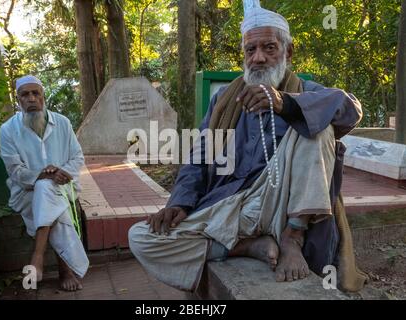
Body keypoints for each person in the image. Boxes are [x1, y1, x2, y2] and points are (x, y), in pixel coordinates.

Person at [129, 0, 367, 292]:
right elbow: (199, 158)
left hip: (284, 204)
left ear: (287, 52)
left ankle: (292, 238)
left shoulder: (306, 91)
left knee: (318, 128)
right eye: (250, 50)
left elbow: (351, 109)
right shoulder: (224, 100)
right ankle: (246, 246)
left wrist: (287, 105)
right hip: (231, 205)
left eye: (269, 48)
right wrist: (179, 201)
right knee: (141, 236)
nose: (258, 58)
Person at [0, 75, 89, 291]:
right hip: (25, 192)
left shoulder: (63, 123)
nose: (31, 98)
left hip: (63, 187)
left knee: (48, 190)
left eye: (35, 93)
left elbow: (77, 158)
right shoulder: (8, 129)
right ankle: (65, 269)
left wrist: (62, 172)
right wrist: (42, 175)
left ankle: (37, 257)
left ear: (43, 96)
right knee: (46, 189)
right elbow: (14, 170)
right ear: (18, 100)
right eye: (25, 95)